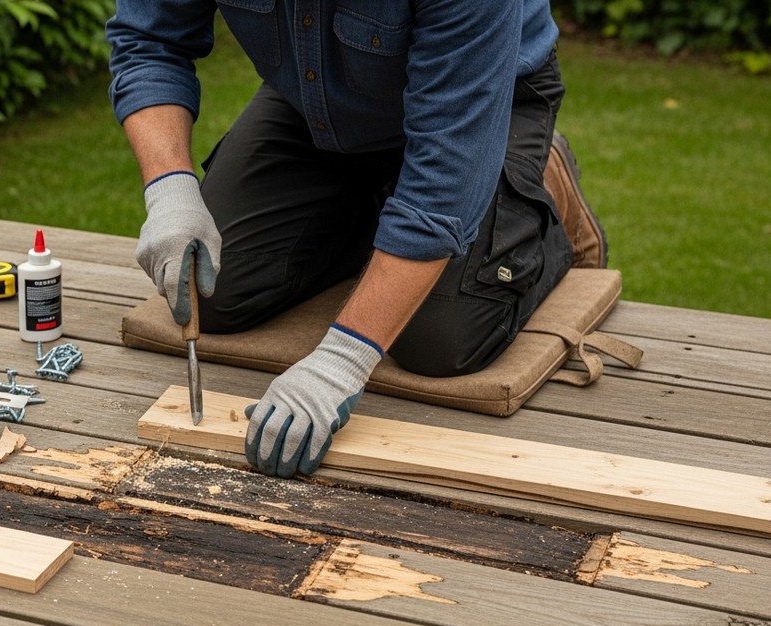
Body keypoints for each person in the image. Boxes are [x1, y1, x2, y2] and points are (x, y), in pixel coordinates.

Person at [107, 0, 608, 479]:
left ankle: (530, 195)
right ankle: (386, 216)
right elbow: (149, 40)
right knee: (216, 288)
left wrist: (341, 363)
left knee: (439, 339)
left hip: (481, 105)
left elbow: (445, 179)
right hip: (318, 101)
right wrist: (170, 190)